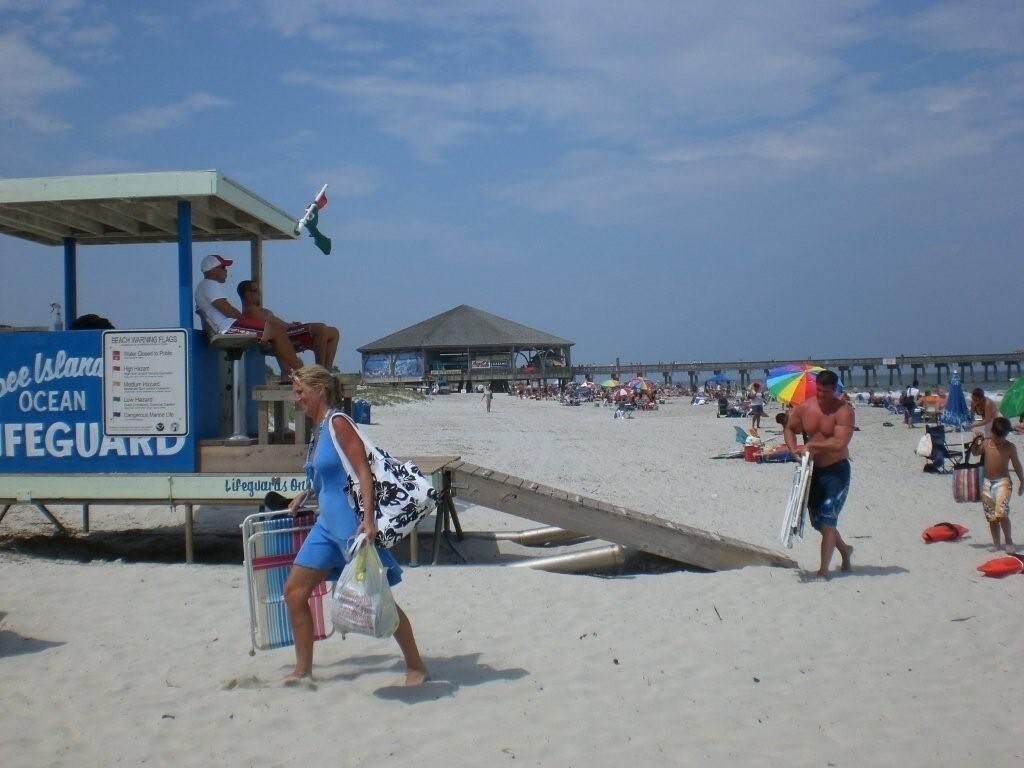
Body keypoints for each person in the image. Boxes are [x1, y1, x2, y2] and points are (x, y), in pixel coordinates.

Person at [283, 365, 428, 686]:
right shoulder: (319, 429)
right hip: (325, 527)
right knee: (294, 593)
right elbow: (328, 476)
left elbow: (363, 472)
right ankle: (302, 671)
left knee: (379, 600)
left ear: (319, 390)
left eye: (300, 392)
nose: (297, 399)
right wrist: (305, 494)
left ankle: (416, 666)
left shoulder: (338, 423)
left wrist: (369, 520)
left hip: (351, 528)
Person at [783, 369, 855, 579]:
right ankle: (845, 550)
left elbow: (839, 443)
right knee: (819, 523)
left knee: (828, 515)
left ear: (835, 390)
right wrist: (793, 449)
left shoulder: (844, 411)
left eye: (827, 392)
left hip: (836, 470)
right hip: (813, 471)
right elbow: (789, 428)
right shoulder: (805, 408)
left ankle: (823, 571)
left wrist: (812, 445)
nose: (822, 395)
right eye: (819, 390)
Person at [194, 254, 303, 382]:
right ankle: (303, 372)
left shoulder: (202, 286)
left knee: (273, 331)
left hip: (223, 328)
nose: (226, 271)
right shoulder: (210, 285)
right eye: (223, 267)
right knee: (277, 331)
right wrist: (248, 322)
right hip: (227, 328)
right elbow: (227, 310)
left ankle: (291, 373)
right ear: (212, 270)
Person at [236, 279, 341, 370]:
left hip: (288, 333)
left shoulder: (258, 310)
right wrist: (290, 326)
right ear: (247, 294)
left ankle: (327, 372)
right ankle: (320, 372)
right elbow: (273, 328)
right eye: (255, 291)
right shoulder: (250, 312)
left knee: (334, 332)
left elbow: (278, 324)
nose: (259, 294)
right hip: (282, 337)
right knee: (320, 328)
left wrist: (291, 325)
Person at [970, 417, 1023, 553]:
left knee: (1002, 513)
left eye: (1002, 437)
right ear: (992, 432)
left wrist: (1022, 481)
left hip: (1003, 483)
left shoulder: (1009, 447)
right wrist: (975, 440)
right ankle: (996, 543)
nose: (999, 440)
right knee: (991, 516)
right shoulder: (986, 443)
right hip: (987, 483)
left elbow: (1016, 465)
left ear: (1006, 435)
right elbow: (975, 452)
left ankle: (1009, 541)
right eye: (996, 436)